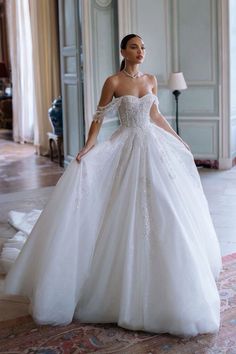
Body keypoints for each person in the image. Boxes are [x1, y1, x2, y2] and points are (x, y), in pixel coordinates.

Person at [4, 34, 222, 337]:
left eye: (143, 47)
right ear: (123, 51)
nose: (141, 51)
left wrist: (177, 138)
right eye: (134, 47)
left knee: (165, 205)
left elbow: (156, 114)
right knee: (124, 207)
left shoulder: (151, 79)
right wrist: (88, 146)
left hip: (153, 146)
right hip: (126, 145)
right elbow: (98, 117)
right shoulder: (113, 82)